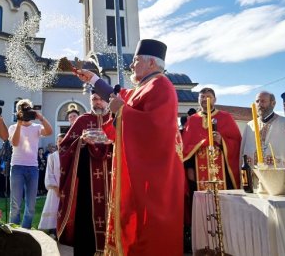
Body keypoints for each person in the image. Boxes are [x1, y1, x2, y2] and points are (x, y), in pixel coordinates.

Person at [74, 39, 185, 256]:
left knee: (150, 236)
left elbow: (154, 126)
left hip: (155, 181)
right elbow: (118, 97)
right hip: (145, 177)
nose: (131, 65)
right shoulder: (145, 86)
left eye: (135, 61)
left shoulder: (161, 85)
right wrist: (94, 79)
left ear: (151, 63)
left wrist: (122, 111)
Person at [57, 91, 114, 255]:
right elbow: (65, 147)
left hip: (112, 178)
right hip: (88, 182)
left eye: (100, 99)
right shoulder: (83, 121)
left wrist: (111, 140)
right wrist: (81, 142)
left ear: (107, 101)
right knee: (86, 219)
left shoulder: (116, 120)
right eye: (93, 99)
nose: (97, 102)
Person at [183, 87, 242, 191]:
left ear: (215, 99)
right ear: (198, 100)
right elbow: (186, 148)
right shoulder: (192, 120)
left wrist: (222, 141)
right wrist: (190, 169)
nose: (205, 99)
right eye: (202, 97)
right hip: (197, 170)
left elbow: (237, 143)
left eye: (209, 96)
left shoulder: (226, 117)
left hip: (223, 169)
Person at [8, 99, 52, 229]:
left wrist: (41, 117)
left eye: (28, 111)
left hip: (32, 168)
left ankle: (26, 230)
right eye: (22, 111)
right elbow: (15, 143)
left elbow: (49, 132)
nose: (25, 114)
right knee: (15, 203)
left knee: (31, 204)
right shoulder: (13, 127)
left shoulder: (37, 127)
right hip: (17, 166)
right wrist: (19, 123)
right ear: (18, 112)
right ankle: (14, 229)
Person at [241, 91, 285, 170]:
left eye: (263, 101)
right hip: (253, 178)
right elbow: (242, 155)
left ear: (273, 103)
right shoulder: (249, 126)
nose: (259, 104)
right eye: (257, 101)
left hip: (279, 179)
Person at [38, 133, 65, 236]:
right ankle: (53, 230)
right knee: (54, 207)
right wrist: (56, 188)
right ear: (56, 143)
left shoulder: (70, 155)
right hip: (55, 188)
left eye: (63, 141)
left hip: (66, 187)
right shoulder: (52, 156)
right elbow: (49, 173)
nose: (61, 143)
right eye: (59, 141)